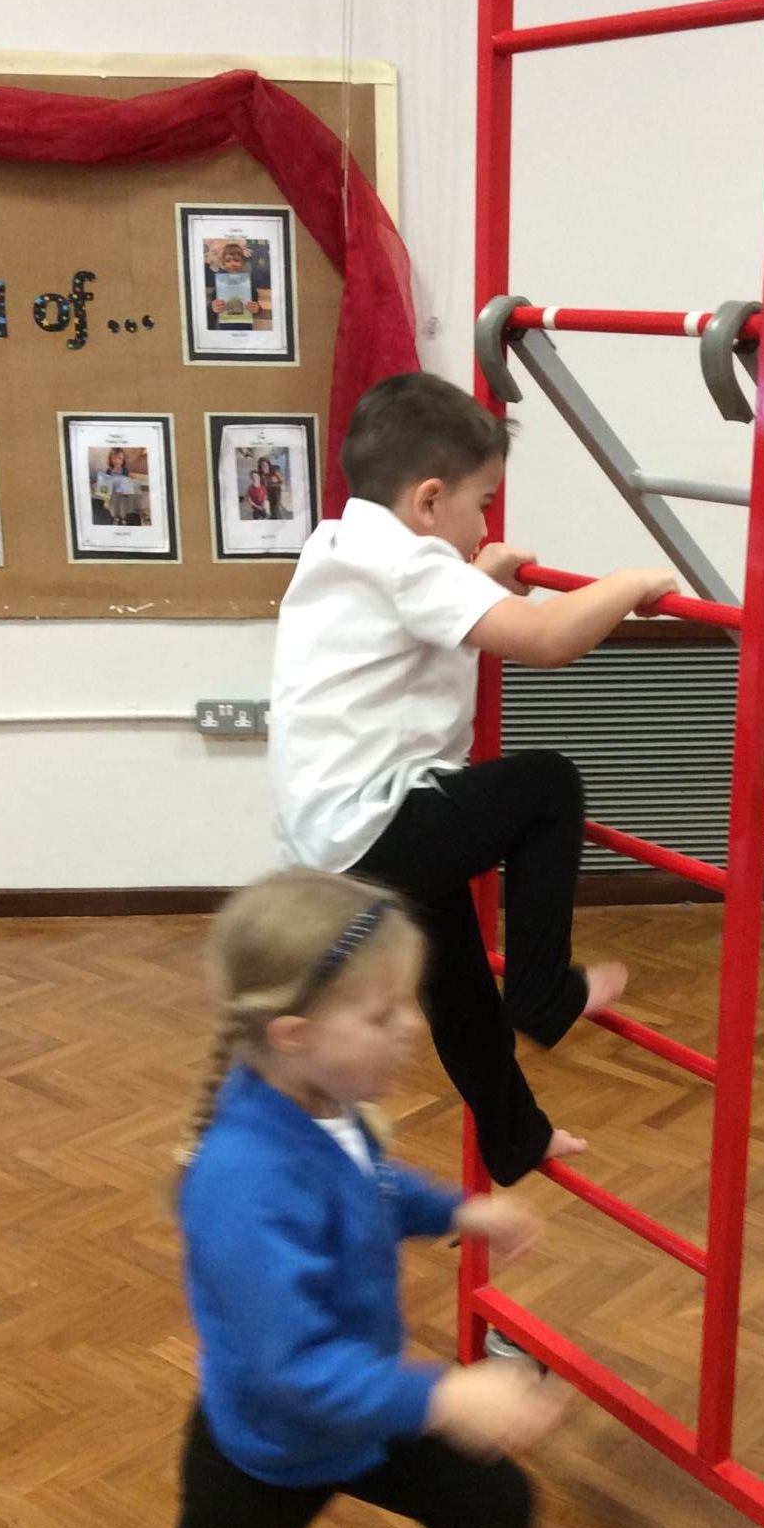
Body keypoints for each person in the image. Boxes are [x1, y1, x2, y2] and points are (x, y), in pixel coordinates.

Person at [106, 869, 625, 1528]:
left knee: (496, 1504)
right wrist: (446, 1397)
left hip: (363, 1410)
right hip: (270, 1447)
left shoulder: (323, 1103)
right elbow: (290, 1368)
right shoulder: (244, 1179)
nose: (412, 1027)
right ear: (293, 1034)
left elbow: (371, 1187)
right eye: (383, 1014)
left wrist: (454, 1210)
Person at [268, 370, 676, 1190]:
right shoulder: (412, 565)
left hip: (334, 837)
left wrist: (480, 574)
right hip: (379, 819)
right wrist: (629, 585)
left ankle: (515, 1135)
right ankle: (542, 994)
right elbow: (549, 640)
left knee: (454, 975)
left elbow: (419, 627)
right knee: (547, 785)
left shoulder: (340, 545)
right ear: (429, 502)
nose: (486, 523)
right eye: (481, 502)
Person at [207, 241, 264, 331]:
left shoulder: (249, 284)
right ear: (224, 264)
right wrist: (213, 307)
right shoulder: (219, 285)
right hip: (224, 327)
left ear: (243, 263)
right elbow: (212, 308)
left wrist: (257, 309)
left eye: (236, 260)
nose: (233, 263)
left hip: (245, 327)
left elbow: (256, 306)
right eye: (228, 261)